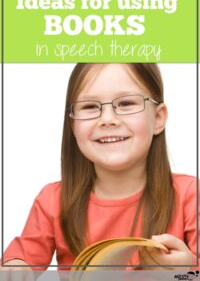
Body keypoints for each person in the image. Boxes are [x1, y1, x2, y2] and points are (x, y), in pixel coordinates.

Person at [1, 63, 199, 271]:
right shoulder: (52, 200)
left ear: (158, 118)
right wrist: (15, 268)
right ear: (72, 125)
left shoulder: (190, 195)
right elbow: (18, 263)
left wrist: (188, 273)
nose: (107, 119)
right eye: (89, 107)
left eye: (126, 103)